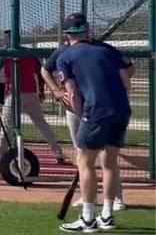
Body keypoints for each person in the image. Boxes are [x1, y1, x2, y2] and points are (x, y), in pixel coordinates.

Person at [41, 13, 135, 212]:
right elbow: (45, 70)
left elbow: (129, 68)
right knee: (87, 156)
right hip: (80, 110)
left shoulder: (104, 49)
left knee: (102, 158)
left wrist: (105, 85)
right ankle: (90, 199)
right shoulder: (64, 52)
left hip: (94, 110)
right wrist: (57, 91)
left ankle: (112, 200)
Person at [0, 30, 67, 164]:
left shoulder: (8, 53)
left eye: (6, 39)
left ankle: (0, 153)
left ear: (10, 40)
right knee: (42, 124)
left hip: (13, 95)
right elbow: (40, 73)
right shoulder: (30, 53)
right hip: (31, 94)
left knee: (7, 126)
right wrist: (41, 91)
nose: (5, 41)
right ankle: (58, 153)